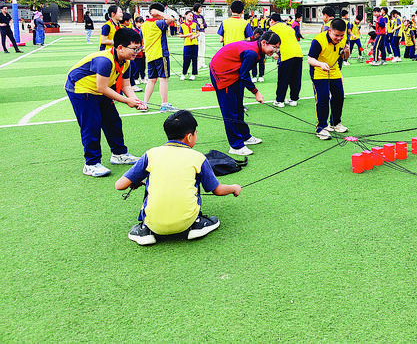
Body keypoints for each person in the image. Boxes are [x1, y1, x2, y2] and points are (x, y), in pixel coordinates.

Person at [115, 110, 241, 246]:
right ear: (189, 136)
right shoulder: (198, 157)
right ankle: (196, 224)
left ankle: (145, 230)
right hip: (186, 223)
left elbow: (119, 185)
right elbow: (218, 190)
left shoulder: (150, 154)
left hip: (154, 225)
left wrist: (136, 181)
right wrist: (234, 188)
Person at [65, 28, 145, 177]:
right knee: (91, 125)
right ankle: (91, 164)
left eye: (139, 48)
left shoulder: (126, 62)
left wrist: (136, 100)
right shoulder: (104, 61)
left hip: (101, 89)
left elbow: (126, 85)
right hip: (81, 89)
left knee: (113, 121)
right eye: (134, 49)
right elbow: (101, 87)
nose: (137, 52)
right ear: (120, 47)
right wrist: (127, 100)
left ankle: (119, 154)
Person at [209, 31, 281, 156]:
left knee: (238, 107)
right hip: (222, 74)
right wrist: (256, 92)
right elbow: (244, 75)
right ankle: (235, 146)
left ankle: (244, 136)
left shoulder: (258, 48)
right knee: (230, 111)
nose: (274, 51)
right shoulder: (252, 52)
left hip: (234, 73)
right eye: (274, 47)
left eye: (277, 48)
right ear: (264, 43)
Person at [308, 18, 350, 139]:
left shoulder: (343, 39)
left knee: (339, 96)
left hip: (334, 70)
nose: (339, 38)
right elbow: (310, 59)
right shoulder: (318, 40)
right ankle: (321, 127)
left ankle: (335, 123)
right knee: (323, 98)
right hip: (319, 71)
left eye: (342, 35)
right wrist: (321, 64)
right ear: (330, 31)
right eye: (336, 35)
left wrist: (346, 52)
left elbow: (344, 57)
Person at [142, 2, 176, 112]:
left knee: (151, 80)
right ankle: (164, 104)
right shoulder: (158, 23)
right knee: (163, 79)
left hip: (150, 55)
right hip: (161, 55)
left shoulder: (144, 25)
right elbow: (171, 19)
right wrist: (159, 13)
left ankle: (145, 103)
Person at [269, 13, 303, 108]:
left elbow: (272, 43)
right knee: (295, 78)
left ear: (272, 21)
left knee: (283, 78)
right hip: (298, 54)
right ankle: (294, 99)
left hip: (287, 55)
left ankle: (280, 100)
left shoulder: (273, 29)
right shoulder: (289, 27)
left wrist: (276, 53)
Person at [179, 9, 199, 80]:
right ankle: (184, 73)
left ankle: (193, 74)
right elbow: (180, 35)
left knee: (194, 59)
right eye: (190, 15)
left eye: (192, 16)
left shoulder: (195, 24)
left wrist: (194, 36)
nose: (191, 17)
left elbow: (198, 33)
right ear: (185, 16)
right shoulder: (182, 25)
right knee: (186, 59)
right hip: (187, 44)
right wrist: (187, 35)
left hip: (195, 44)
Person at [192, 3, 208, 69]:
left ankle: (202, 62)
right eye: (200, 8)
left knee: (202, 48)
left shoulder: (201, 16)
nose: (201, 9)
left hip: (202, 33)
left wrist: (203, 26)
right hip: (196, 33)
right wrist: (199, 25)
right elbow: (193, 24)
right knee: (197, 48)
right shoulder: (193, 16)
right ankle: (197, 63)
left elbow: (205, 25)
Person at [132, 16, 146, 85]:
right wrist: (140, 47)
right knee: (137, 65)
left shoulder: (144, 30)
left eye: (141, 22)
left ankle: (143, 77)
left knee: (143, 65)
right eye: (138, 22)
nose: (139, 24)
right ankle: (136, 78)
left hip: (144, 50)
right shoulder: (135, 31)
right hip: (137, 51)